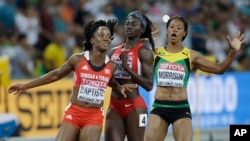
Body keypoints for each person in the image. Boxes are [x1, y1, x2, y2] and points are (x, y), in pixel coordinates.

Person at [8, 19, 137, 141]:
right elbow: (56, 75)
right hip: (74, 112)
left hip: (94, 115)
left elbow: (108, 81)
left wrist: (119, 87)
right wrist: (26, 86)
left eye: (108, 36)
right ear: (92, 40)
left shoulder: (111, 66)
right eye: (101, 35)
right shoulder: (78, 59)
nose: (106, 38)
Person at [144, 16, 245, 141]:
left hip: (180, 108)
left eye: (179, 28)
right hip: (159, 107)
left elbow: (219, 69)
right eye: (171, 27)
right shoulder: (155, 53)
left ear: (184, 33)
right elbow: (130, 56)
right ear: (167, 30)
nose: (174, 29)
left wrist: (233, 52)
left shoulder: (191, 56)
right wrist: (139, 41)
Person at [105, 11, 155, 141]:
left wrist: (127, 67)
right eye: (127, 24)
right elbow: (105, 78)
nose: (129, 27)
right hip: (114, 105)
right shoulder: (113, 52)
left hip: (135, 107)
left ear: (142, 29)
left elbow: (149, 85)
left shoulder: (144, 52)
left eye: (134, 24)